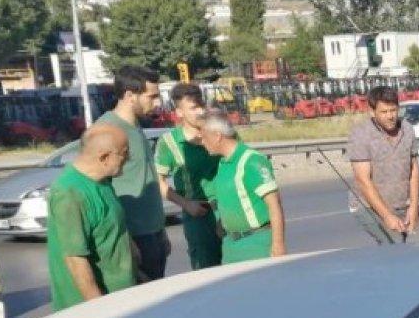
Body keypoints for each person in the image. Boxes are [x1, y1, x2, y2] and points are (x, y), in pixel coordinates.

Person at [46, 125, 137, 311]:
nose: (128, 159)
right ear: (104, 157)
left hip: (122, 297)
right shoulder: (70, 193)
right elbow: (75, 259)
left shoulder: (103, 181)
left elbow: (112, 225)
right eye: (124, 153)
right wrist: (98, 310)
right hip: (91, 308)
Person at [96, 65, 169, 281]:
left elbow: (145, 178)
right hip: (133, 237)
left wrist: (160, 230)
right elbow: (101, 191)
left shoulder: (136, 126)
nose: (157, 103)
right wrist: (126, 240)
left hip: (152, 233)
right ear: (130, 95)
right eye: (151, 97)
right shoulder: (107, 131)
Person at [199, 109, 286, 263]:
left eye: (204, 137)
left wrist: (278, 244)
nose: (202, 142)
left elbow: (275, 205)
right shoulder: (223, 163)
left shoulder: (251, 161)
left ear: (217, 136)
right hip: (231, 247)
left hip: (256, 245)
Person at [154, 83, 222, 269]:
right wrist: (185, 204)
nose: (200, 111)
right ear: (179, 112)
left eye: (201, 105)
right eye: (193, 108)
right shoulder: (169, 142)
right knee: (206, 271)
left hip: (226, 208)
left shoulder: (218, 131)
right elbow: (158, 182)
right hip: (198, 214)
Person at [347, 86, 419, 244]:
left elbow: (413, 169)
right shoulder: (361, 134)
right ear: (372, 112)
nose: (390, 116)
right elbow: (362, 180)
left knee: (402, 249)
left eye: (393, 110)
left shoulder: (407, 129)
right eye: (384, 112)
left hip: (399, 204)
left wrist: (414, 207)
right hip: (367, 206)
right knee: (391, 247)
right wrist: (386, 216)